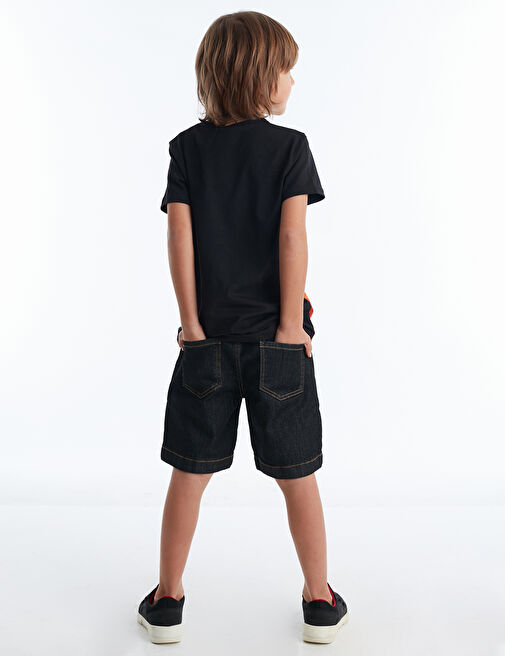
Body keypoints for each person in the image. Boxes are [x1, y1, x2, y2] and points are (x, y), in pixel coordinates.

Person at [137, 10, 349, 645]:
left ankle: (167, 600)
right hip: (276, 342)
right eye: (285, 70)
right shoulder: (289, 148)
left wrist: (191, 326)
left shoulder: (187, 148)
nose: (292, 82)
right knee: (297, 475)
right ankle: (319, 601)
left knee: (189, 474)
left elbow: (179, 239)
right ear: (260, 77)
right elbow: (292, 237)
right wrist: (289, 327)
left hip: (207, 343)